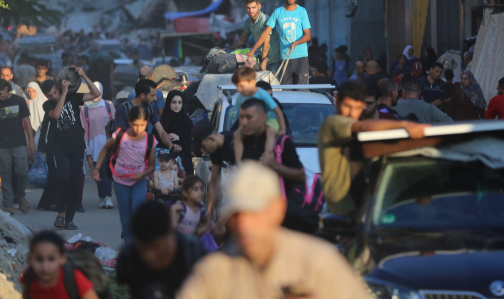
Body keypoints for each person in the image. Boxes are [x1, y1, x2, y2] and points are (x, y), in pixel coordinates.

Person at [177, 161, 372, 299]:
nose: (245, 226)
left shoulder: (319, 263)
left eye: (255, 214)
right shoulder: (215, 271)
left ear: (277, 210)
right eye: (237, 216)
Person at [318, 81, 426, 215]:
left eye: (357, 108)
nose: (352, 113)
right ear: (337, 101)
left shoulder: (356, 126)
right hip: (341, 209)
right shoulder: (332, 122)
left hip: (362, 208)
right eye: (347, 106)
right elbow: (363, 127)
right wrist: (405, 125)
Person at [239, 98, 312, 232]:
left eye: (248, 117)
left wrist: (274, 165)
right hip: (256, 216)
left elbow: (301, 175)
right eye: (242, 117)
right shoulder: (244, 142)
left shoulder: (282, 143)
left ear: (263, 117)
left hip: (284, 218)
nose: (244, 122)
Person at [41, 68, 100, 230]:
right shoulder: (47, 105)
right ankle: (61, 212)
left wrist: (84, 76)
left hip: (76, 146)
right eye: (50, 95)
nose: (53, 96)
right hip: (59, 147)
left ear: (58, 87)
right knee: (63, 180)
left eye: (54, 92)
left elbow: (95, 94)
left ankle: (69, 219)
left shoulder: (74, 97)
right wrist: (63, 94)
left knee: (75, 182)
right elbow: (56, 115)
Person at [116, 200, 205, 299]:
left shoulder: (192, 253)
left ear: (170, 232)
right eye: (143, 248)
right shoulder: (128, 258)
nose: (149, 255)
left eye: (156, 246)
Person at [94, 106, 157, 243]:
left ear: (147, 123)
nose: (138, 128)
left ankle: (138, 242)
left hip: (139, 181)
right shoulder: (119, 135)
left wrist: (143, 174)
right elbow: (105, 149)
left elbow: (151, 165)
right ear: (129, 121)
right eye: (135, 125)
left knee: (137, 212)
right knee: (125, 216)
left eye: (142, 125)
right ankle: (129, 247)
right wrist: (96, 169)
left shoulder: (151, 140)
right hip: (120, 181)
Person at [246, 0, 312, 85]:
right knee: (286, 93)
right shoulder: (277, 12)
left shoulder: (302, 11)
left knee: (302, 91)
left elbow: (308, 35)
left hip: (301, 57)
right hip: (284, 58)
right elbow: (265, 33)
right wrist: (253, 50)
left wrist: (297, 42)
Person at [0, 79, 35, 214]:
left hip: (19, 143)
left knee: (22, 172)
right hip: (2, 145)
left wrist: (31, 141)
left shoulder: (19, 101)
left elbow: (27, 121)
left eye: (0, 93)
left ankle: (20, 196)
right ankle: (8, 202)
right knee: (5, 175)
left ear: (7, 89)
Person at [230, 67, 286, 164]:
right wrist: (241, 128)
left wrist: (282, 129)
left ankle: (267, 155)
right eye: (237, 86)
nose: (239, 89)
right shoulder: (240, 97)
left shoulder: (262, 94)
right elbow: (241, 116)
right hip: (252, 123)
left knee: (270, 131)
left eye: (241, 86)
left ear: (251, 83)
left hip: (269, 120)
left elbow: (278, 111)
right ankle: (238, 161)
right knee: (237, 134)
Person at [22, 231, 99, 299]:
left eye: (51, 259)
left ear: (62, 259)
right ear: (30, 259)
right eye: (39, 259)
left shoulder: (74, 279)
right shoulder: (29, 277)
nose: (45, 266)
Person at [80, 82, 115, 209]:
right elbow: (84, 129)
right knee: (98, 170)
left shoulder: (108, 105)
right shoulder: (85, 108)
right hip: (93, 143)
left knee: (106, 169)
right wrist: (85, 146)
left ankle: (107, 196)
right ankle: (102, 196)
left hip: (107, 141)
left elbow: (115, 124)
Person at [190, 119, 234, 215]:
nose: (203, 152)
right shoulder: (216, 151)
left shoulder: (234, 143)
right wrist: (209, 215)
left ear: (212, 139)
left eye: (204, 147)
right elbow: (214, 182)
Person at [228, 0, 282, 72]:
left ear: (259, 6)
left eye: (253, 7)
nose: (251, 11)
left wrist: (263, 64)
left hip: (274, 60)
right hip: (262, 59)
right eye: (248, 8)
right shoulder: (248, 22)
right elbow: (241, 40)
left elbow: (266, 44)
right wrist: (227, 49)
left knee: (275, 83)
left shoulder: (264, 20)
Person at [115, 79, 173, 149]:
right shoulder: (123, 110)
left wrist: (171, 146)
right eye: (152, 95)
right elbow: (120, 135)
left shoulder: (150, 109)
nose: (155, 99)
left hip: (143, 153)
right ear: (142, 95)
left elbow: (161, 132)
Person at [159, 90, 194, 176]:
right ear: (169, 103)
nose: (177, 105)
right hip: (165, 164)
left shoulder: (187, 121)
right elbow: (157, 141)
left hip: (185, 163)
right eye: (174, 102)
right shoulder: (162, 122)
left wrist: (179, 138)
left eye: (179, 102)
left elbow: (192, 142)